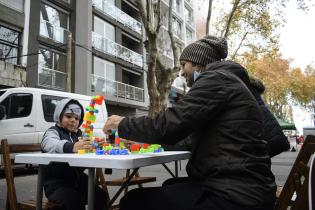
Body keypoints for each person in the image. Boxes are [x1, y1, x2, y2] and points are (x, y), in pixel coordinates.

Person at [104, 35, 276, 210]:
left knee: (133, 200)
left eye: (184, 64)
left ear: (198, 63)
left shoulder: (216, 80)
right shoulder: (228, 81)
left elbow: (169, 124)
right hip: (246, 188)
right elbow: (189, 139)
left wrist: (123, 124)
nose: (181, 72)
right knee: (171, 184)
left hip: (234, 196)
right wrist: (146, 142)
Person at [41, 99, 108, 210]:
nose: (73, 120)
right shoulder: (53, 131)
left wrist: (95, 146)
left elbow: (84, 156)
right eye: (68, 116)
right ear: (59, 116)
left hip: (77, 181)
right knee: (75, 201)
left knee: (101, 196)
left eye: (76, 118)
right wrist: (71, 147)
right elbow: (48, 144)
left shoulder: (79, 134)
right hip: (56, 184)